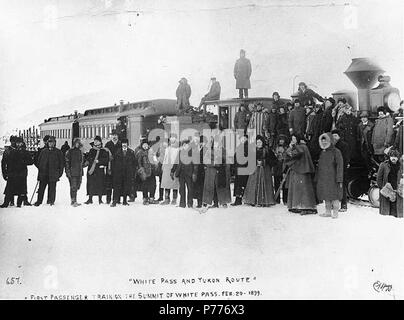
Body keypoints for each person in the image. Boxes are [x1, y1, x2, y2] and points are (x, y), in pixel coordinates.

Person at [285, 134, 317, 214]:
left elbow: (293, 154)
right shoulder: (300, 147)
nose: (293, 140)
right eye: (292, 139)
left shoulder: (301, 147)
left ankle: (305, 206)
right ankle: (297, 205)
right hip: (298, 170)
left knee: (302, 189)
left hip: (301, 170)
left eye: (294, 138)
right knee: (297, 188)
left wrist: (291, 147)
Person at [315, 133, 344, 218]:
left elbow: (340, 166)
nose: (324, 143)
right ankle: (327, 212)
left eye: (326, 141)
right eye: (322, 141)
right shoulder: (322, 152)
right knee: (326, 195)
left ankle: (335, 213)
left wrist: (339, 179)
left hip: (333, 178)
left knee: (335, 196)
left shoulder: (336, 152)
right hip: (324, 178)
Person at [243, 135, 277, 207]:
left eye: (260, 142)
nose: (258, 144)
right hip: (255, 171)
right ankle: (253, 200)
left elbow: (274, 160)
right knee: (254, 184)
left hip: (265, 171)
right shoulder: (253, 150)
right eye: (257, 142)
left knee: (265, 184)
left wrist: (264, 162)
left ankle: (264, 200)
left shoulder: (267, 150)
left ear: (262, 143)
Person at [0, 137, 34, 208]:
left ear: (22, 143)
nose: (18, 144)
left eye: (20, 143)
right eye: (17, 143)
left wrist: (23, 162)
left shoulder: (25, 152)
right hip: (12, 173)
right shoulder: (11, 152)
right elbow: (6, 162)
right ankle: (6, 203)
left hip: (22, 174)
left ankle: (19, 204)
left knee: (21, 190)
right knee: (9, 189)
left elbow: (31, 162)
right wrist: (6, 172)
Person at [202, 135, 231, 209]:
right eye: (215, 143)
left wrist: (221, 163)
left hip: (220, 171)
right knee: (211, 187)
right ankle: (212, 202)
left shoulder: (223, 150)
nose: (216, 145)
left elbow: (227, 160)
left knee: (220, 187)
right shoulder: (209, 151)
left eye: (218, 143)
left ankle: (223, 202)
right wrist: (213, 163)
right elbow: (205, 160)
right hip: (211, 172)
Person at [34, 136, 64, 206]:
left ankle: (51, 201)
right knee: (41, 189)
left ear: (54, 143)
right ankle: (39, 201)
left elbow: (61, 164)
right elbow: (39, 162)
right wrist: (41, 169)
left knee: (52, 189)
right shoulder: (43, 151)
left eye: (52, 142)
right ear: (48, 143)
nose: (51, 144)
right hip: (44, 174)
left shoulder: (58, 152)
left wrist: (59, 173)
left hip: (53, 174)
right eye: (50, 142)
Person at [110, 138, 136, 207]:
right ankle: (115, 201)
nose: (124, 145)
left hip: (127, 173)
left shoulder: (131, 152)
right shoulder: (117, 152)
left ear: (127, 144)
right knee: (116, 187)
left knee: (126, 187)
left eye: (125, 144)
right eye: (123, 143)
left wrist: (132, 172)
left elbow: (134, 163)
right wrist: (114, 171)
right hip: (118, 173)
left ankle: (124, 200)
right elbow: (113, 162)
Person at [84, 136, 109, 204]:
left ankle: (100, 199)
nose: (95, 142)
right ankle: (90, 199)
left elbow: (106, 160)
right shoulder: (92, 150)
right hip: (92, 170)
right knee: (91, 184)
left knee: (100, 184)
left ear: (100, 142)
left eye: (97, 141)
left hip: (99, 170)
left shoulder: (103, 150)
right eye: (95, 141)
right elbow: (89, 158)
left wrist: (99, 161)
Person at [376, 149, 401, 217]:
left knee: (396, 214)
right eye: (392, 156)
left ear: (398, 158)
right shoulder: (383, 165)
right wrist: (383, 189)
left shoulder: (401, 166)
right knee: (387, 215)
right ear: (389, 157)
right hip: (386, 193)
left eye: (395, 156)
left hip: (397, 193)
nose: (393, 158)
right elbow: (379, 179)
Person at [172, 140, 195, 208]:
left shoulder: (192, 152)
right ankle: (182, 204)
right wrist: (172, 171)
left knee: (190, 189)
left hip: (189, 173)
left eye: (186, 145)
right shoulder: (180, 152)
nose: (185, 146)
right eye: (184, 145)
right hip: (181, 173)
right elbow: (176, 162)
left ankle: (190, 203)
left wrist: (194, 173)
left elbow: (195, 164)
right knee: (181, 189)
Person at [331, 129, 350, 212]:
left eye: (336, 136)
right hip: (333, 168)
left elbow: (346, 158)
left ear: (339, 136)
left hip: (342, 168)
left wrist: (343, 167)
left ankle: (344, 204)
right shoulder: (331, 145)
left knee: (342, 186)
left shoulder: (343, 145)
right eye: (333, 136)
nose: (334, 137)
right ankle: (334, 203)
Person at [65, 138, 85, 207]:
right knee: (73, 187)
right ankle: (73, 201)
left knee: (77, 186)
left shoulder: (80, 152)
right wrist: (68, 172)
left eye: (78, 143)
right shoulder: (70, 152)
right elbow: (67, 162)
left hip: (79, 172)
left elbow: (82, 162)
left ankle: (75, 200)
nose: (78, 144)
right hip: (72, 172)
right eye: (76, 143)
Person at [160, 135, 180, 205]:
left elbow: (177, 160)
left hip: (174, 167)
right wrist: (163, 166)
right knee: (166, 184)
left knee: (174, 184)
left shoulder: (178, 150)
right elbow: (165, 158)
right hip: (166, 168)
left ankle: (174, 199)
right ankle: (167, 199)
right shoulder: (167, 149)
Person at [137, 139, 157, 205]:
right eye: (144, 144)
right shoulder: (140, 152)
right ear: (142, 145)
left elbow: (155, 160)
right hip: (144, 171)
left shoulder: (151, 151)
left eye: (146, 144)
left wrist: (155, 165)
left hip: (151, 170)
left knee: (153, 184)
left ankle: (151, 197)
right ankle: (145, 198)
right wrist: (141, 169)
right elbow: (139, 162)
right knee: (144, 185)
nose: (145, 146)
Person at [105, 130, 122, 204]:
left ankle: (117, 199)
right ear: (111, 136)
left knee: (117, 183)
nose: (114, 137)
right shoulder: (108, 144)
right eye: (113, 135)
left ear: (118, 136)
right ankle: (108, 199)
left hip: (118, 166)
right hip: (110, 166)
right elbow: (104, 155)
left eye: (116, 135)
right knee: (109, 183)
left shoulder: (120, 144)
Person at [232, 135, 249, 206]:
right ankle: (238, 199)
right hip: (238, 168)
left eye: (244, 138)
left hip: (244, 169)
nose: (243, 140)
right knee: (238, 184)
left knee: (242, 184)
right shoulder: (239, 147)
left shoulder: (248, 147)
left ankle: (240, 199)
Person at [273, 134, 289, 204]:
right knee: (276, 183)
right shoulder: (275, 148)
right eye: (280, 140)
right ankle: (277, 199)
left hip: (283, 166)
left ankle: (285, 199)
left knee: (285, 184)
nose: (281, 141)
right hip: (277, 167)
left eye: (283, 140)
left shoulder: (287, 148)